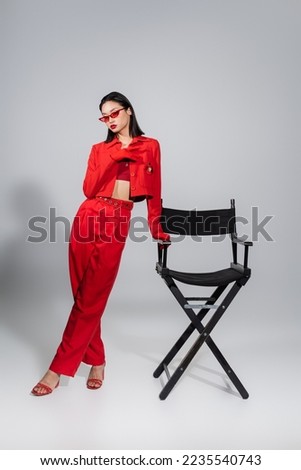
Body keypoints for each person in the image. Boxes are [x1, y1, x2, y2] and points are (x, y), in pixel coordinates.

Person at [31, 91, 170, 396]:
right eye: (104, 117)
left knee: (91, 297)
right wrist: (114, 158)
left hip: (118, 219)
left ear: (129, 111)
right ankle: (97, 360)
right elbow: (88, 188)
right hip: (88, 216)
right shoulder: (99, 149)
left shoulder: (150, 146)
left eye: (114, 113)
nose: (109, 120)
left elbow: (155, 189)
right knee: (83, 295)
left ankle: (57, 369)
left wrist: (155, 226)